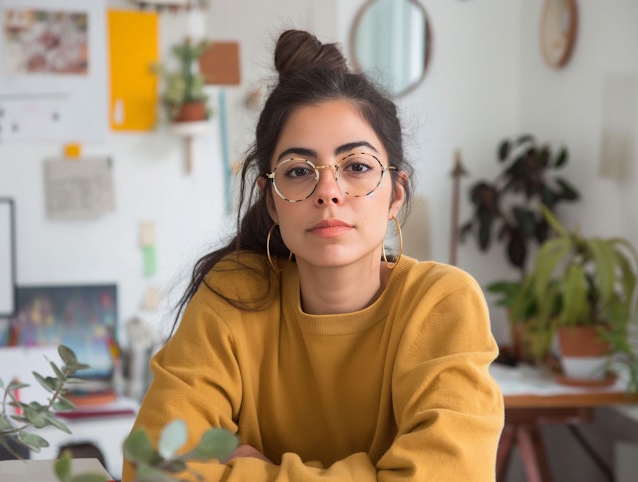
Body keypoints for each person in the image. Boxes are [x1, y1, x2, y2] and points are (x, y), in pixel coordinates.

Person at [122, 29, 504, 481]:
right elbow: (152, 468)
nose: (328, 192)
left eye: (357, 166)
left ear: (395, 193)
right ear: (271, 200)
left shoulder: (441, 302)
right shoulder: (233, 295)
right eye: (299, 171)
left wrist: (252, 470)